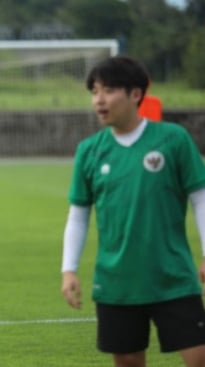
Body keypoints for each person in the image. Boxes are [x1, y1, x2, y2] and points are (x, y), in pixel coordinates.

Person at [60, 56, 205, 367]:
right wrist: (68, 269)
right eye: (95, 91)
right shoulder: (90, 150)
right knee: (127, 361)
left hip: (173, 277)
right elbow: (79, 214)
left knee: (199, 357)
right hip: (116, 283)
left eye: (109, 90)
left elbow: (200, 198)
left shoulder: (173, 139)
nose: (99, 99)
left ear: (136, 94)